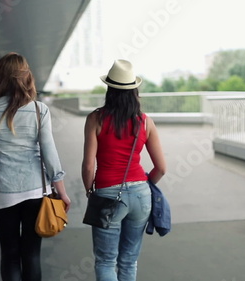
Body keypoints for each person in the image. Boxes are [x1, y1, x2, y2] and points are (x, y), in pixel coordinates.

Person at [0, 52, 71, 281]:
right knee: (32, 254)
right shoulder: (39, 110)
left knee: (9, 254)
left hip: (3, 192)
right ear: (26, 77)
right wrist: (62, 192)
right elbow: (50, 154)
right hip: (35, 190)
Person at [81, 59, 166, 281]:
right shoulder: (145, 122)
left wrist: (90, 191)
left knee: (106, 260)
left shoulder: (96, 118)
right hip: (141, 196)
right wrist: (144, 186)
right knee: (128, 260)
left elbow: (88, 165)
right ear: (134, 91)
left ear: (110, 89)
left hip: (107, 193)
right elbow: (161, 168)